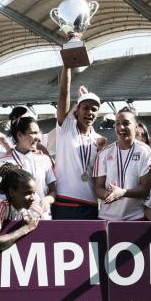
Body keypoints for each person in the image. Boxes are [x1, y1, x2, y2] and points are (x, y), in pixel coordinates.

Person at [53, 66, 105, 219]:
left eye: (94, 109)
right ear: (77, 110)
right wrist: (68, 65)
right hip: (64, 202)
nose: (90, 112)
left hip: (90, 204)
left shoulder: (99, 140)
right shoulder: (66, 127)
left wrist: (102, 151)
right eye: (85, 108)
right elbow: (63, 93)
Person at [94, 109, 151, 221]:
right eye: (118, 123)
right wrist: (108, 195)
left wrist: (122, 193)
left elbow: (145, 189)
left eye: (126, 123)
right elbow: (98, 188)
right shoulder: (104, 153)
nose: (121, 127)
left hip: (135, 218)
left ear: (136, 127)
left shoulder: (145, 152)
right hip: (106, 218)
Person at [0, 116, 56, 213]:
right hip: (15, 217)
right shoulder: (3, 161)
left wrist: (47, 199)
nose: (38, 137)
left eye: (38, 132)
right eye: (33, 133)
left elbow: (53, 190)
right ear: (20, 135)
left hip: (42, 216)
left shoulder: (44, 159)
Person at [0, 164, 47, 254]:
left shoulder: (34, 209)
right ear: (12, 192)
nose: (33, 198)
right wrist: (25, 229)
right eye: (27, 193)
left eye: (34, 193)